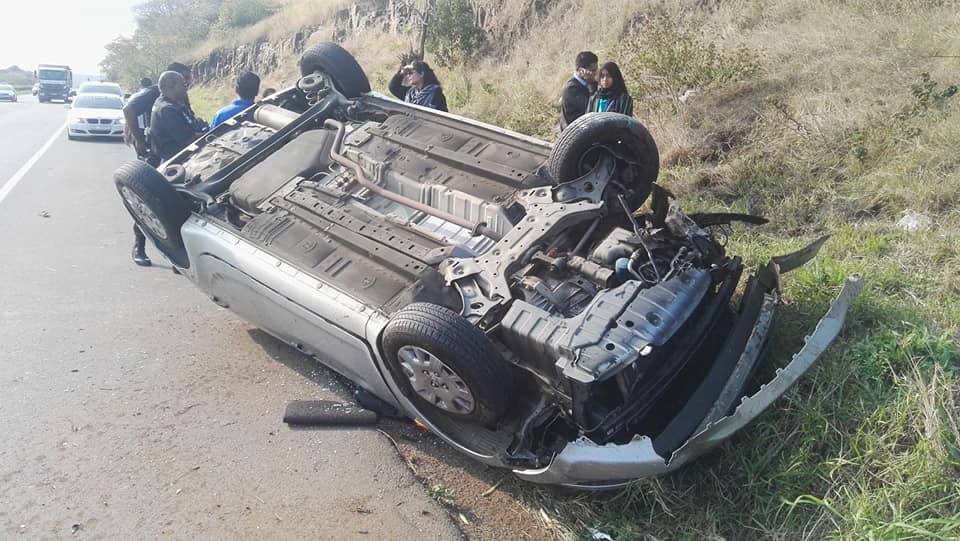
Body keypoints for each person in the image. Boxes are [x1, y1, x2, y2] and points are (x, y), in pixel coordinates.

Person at [122, 62, 192, 267]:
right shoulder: (155, 94)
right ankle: (139, 245)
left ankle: (177, 255)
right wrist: (139, 140)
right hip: (156, 152)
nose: (188, 83)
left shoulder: (179, 97)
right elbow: (128, 109)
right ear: (171, 81)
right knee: (149, 200)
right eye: (184, 79)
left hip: (177, 155)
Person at [150, 71, 208, 163]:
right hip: (178, 161)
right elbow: (188, 139)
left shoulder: (172, 103)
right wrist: (211, 132)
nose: (186, 88)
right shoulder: (167, 110)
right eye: (183, 85)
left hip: (184, 156)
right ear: (172, 86)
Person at [559, 51, 598, 130]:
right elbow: (591, 108)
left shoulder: (589, 84)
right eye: (593, 70)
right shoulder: (572, 89)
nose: (596, 73)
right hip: (573, 136)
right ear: (581, 71)